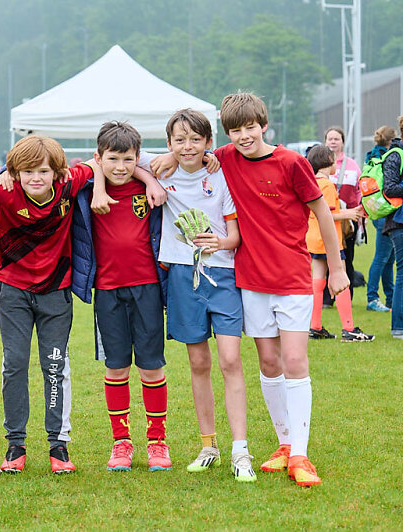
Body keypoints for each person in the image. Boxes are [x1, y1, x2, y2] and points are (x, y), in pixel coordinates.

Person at [151, 92, 349, 487]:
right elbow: (189, 153)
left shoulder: (291, 162)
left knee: (294, 360)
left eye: (250, 128)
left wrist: (338, 268)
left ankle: (301, 455)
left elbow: (323, 213)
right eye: (236, 130)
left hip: (292, 277)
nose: (244, 136)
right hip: (250, 281)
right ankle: (284, 443)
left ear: (264, 125)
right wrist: (170, 157)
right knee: (269, 362)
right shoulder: (224, 157)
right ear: (226, 134)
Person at [0, 136, 98, 474]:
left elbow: (99, 162)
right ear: (16, 172)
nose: (36, 178)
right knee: (15, 364)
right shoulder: (3, 187)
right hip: (13, 292)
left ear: (57, 172)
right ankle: (15, 444)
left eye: (43, 171)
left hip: (56, 292)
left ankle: (58, 445)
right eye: (27, 171)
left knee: (55, 365)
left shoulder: (68, 184)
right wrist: (3, 172)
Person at [159, 110, 253, 481]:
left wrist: (220, 243)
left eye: (195, 140)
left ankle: (240, 450)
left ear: (208, 143)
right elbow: (115, 160)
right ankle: (208, 446)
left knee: (230, 359)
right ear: (169, 143)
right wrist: (161, 163)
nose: (188, 147)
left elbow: (235, 236)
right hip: (182, 277)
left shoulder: (220, 175)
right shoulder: (161, 172)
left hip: (223, 276)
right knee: (198, 363)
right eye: (179, 140)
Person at [77, 121, 175, 474]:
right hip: (107, 291)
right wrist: (98, 183)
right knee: (116, 366)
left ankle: (157, 441)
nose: (120, 167)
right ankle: (121, 442)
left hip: (147, 288)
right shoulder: (86, 190)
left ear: (138, 158)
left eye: (128, 159)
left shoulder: (151, 187)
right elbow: (67, 168)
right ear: (99, 157)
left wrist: (149, 179)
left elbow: (185, 157)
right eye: (112, 159)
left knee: (151, 366)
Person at [305, 145, 374, 342]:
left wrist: (349, 213)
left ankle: (315, 327)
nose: (336, 164)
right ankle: (349, 329)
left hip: (314, 239)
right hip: (330, 241)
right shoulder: (326, 185)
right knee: (341, 278)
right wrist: (349, 214)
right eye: (334, 160)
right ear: (328, 161)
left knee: (317, 280)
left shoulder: (312, 182)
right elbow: (327, 214)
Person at [324, 126, 362, 303]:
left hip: (348, 220)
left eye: (336, 139)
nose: (333, 142)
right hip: (326, 219)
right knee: (324, 259)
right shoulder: (320, 165)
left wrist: (360, 215)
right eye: (330, 139)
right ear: (325, 142)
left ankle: (347, 296)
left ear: (343, 142)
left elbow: (358, 191)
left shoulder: (352, 165)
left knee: (348, 258)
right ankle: (326, 298)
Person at [365, 126, 396, 312]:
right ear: (391, 141)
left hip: (377, 209)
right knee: (381, 258)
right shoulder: (388, 157)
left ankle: (391, 298)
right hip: (386, 211)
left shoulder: (371, 156)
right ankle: (372, 298)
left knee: (388, 259)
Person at [382, 116, 403, 340]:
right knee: (402, 273)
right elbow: (389, 188)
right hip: (398, 221)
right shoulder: (396, 154)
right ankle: (398, 327)